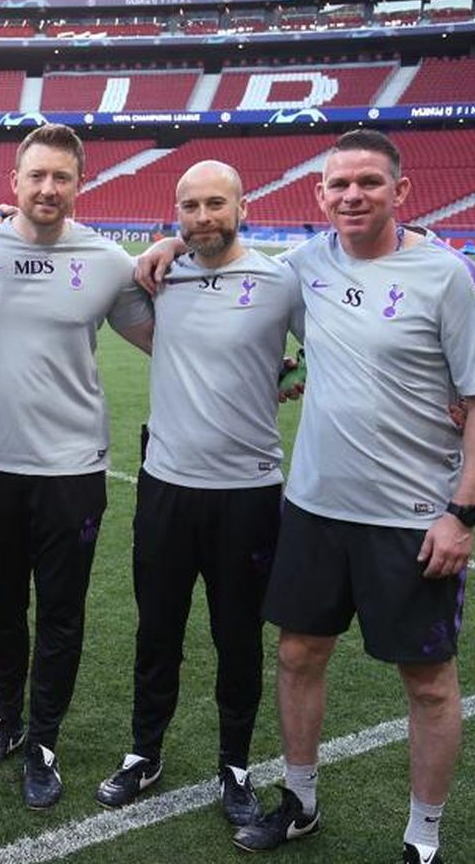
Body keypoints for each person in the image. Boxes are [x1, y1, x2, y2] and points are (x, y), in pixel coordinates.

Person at [137, 129, 475, 864]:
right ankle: (300, 802)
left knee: (428, 682)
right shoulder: (303, 266)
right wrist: (169, 244)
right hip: (312, 507)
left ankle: (422, 836)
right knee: (299, 654)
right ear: (319, 195)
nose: (351, 196)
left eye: (368, 183)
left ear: (400, 192)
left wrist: (461, 512)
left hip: (410, 517)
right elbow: (220, 248)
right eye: (338, 185)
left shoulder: (450, 275)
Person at [90, 161, 301, 827]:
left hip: (248, 493)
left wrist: (296, 370)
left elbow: (338, 343)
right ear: (175, 212)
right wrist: (164, 247)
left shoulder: (279, 280)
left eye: (216, 203)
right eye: (190, 206)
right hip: (167, 488)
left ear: (244, 204)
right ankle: (143, 752)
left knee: (237, 637)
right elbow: (114, 293)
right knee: (158, 630)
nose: (203, 215)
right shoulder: (163, 275)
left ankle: (235, 764)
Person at [0, 124, 154, 809]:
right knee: (1, 604)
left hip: (72, 469)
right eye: (36, 176)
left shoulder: (105, 260)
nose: (47, 188)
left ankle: (42, 739)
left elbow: (163, 335)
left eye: (60, 177)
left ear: (78, 184)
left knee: (60, 612)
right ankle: (8, 718)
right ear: (14, 182)